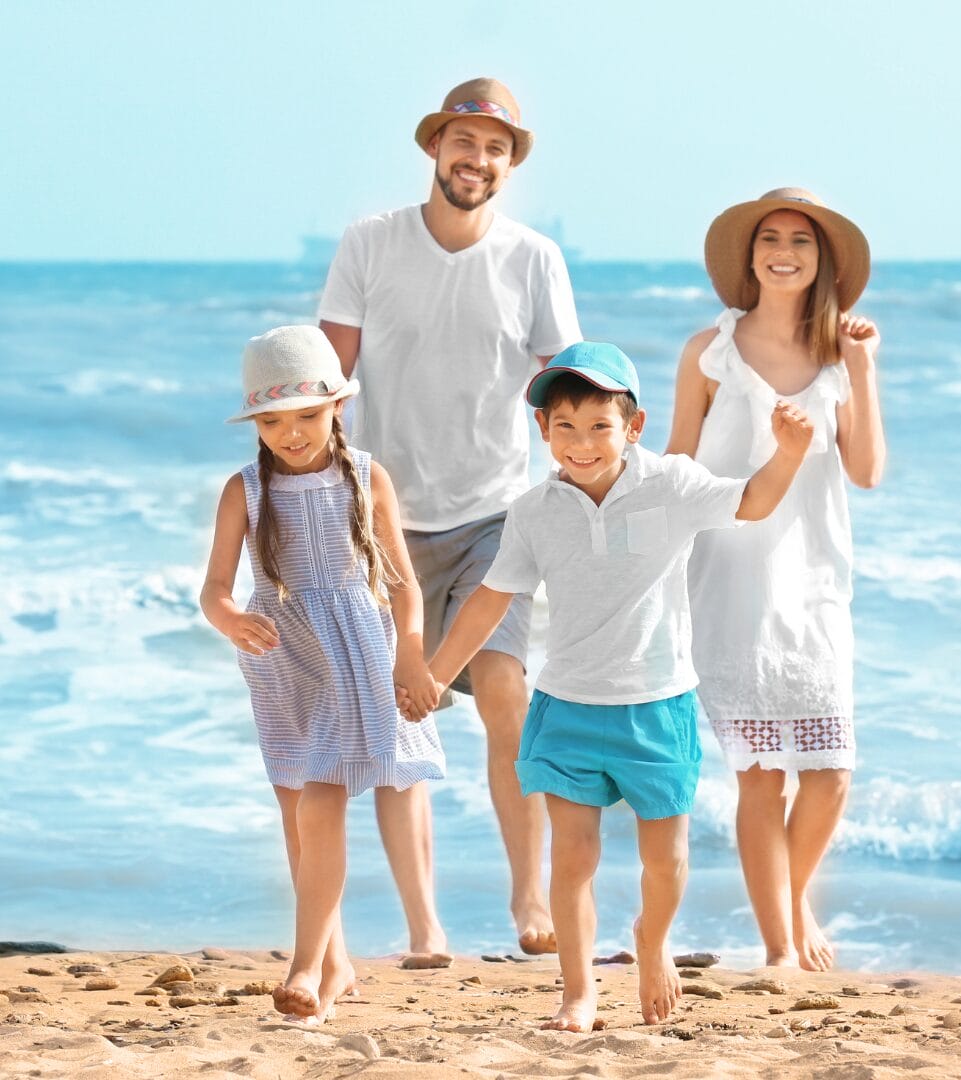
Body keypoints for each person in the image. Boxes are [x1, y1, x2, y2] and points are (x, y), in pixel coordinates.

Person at [408, 341, 815, 1031]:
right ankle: (578, 991)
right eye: (564, 427)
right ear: (542, 432)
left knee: (668, 859)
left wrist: (789, 451)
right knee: (574, 857)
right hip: (567, 707)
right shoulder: (533, 511)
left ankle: (651, 941)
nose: (582, 443)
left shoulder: (672, 484)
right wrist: (436, 673)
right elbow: (490, 599)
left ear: (634, 425)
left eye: (599, 426)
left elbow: (753, 501)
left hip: (658, 706)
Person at [317, 77, 581, 959]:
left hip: (493, 519)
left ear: (510, 163)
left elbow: (562, 387)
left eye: (497, 148)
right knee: (403, 717)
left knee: (506, 695)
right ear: (436, 147)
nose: (478, 160)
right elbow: (330, 378)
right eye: (464, 143)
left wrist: (587, 493)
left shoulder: (534, 259)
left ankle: (529, 900)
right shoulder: (370, 243)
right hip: (384, 521)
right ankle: (426, 930)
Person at [666, 188, 887, 971]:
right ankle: (779, 948)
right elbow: (677, 468)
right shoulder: (708, 353)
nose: (784, 249)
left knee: (830, 772)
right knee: (760, 778)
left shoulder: (838, 358)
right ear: (749, 254)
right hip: (729, 579)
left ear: (822, 259)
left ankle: (793, 902)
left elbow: (864, 471)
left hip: (816, 581)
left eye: (800, 238)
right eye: (770, 237)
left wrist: (863, 370)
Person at [200, 325, 445, 1025]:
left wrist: (411, 652)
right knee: (298, 814)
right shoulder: (244, 490)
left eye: (307, 415)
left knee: (324, 796)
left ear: (337, 406)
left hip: (354, 655)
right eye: (273, 421)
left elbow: (403, 585)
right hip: (282, 659)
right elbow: (215, 588)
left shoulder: (366, 478)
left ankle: (305, 967)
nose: (292, 433)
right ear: (256, 424)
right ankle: (335, 962)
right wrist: (229, 621)